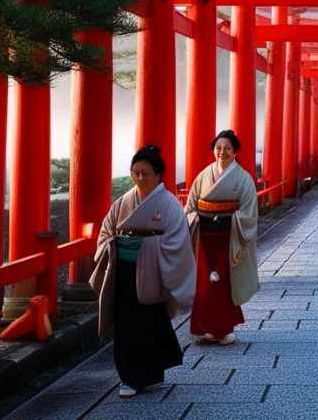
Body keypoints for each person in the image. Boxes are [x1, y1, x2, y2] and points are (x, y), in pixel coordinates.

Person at [90, 145, 195, 398]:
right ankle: (129, 377)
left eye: (146, 173)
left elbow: (178, 240)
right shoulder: (123, 202)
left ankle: (152, 375)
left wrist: (148, 246)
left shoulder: (168, 204)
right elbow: (106, 231)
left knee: (150, 321)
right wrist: (113, 245)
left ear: (158, 175)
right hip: (124, 269)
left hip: (152, 271)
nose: (140, 178)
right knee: (126, 324)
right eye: (136, 172)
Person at [185, 129, 260, 346]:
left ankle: (225, 329)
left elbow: (249, 214)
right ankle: (206, 328)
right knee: (204, 284)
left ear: (235, 151)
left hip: (229, 238)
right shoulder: (203, 176)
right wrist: (197, 218)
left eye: (227, 148)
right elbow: (190, 207)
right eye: (218, 148)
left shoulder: (243, 179)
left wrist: (230, 218)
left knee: (225, 283)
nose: (222, 152)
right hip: (205, 238)